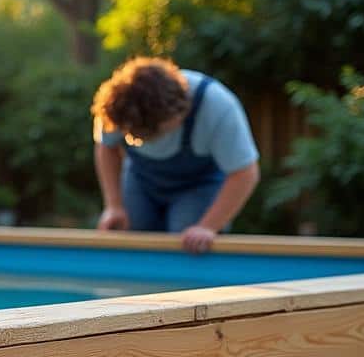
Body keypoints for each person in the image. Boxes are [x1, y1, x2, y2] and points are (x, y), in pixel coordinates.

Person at [91, 57, 260, 254]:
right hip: (140, 179)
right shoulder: (119, 104)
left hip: (198, 185)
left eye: (144, 135)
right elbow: (107, 147)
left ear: (178, 115)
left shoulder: (217, 106)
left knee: (188, 243)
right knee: (129, 240)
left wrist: (208, 227)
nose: (136, 140)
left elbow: (245, 172)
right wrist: (114, 205)